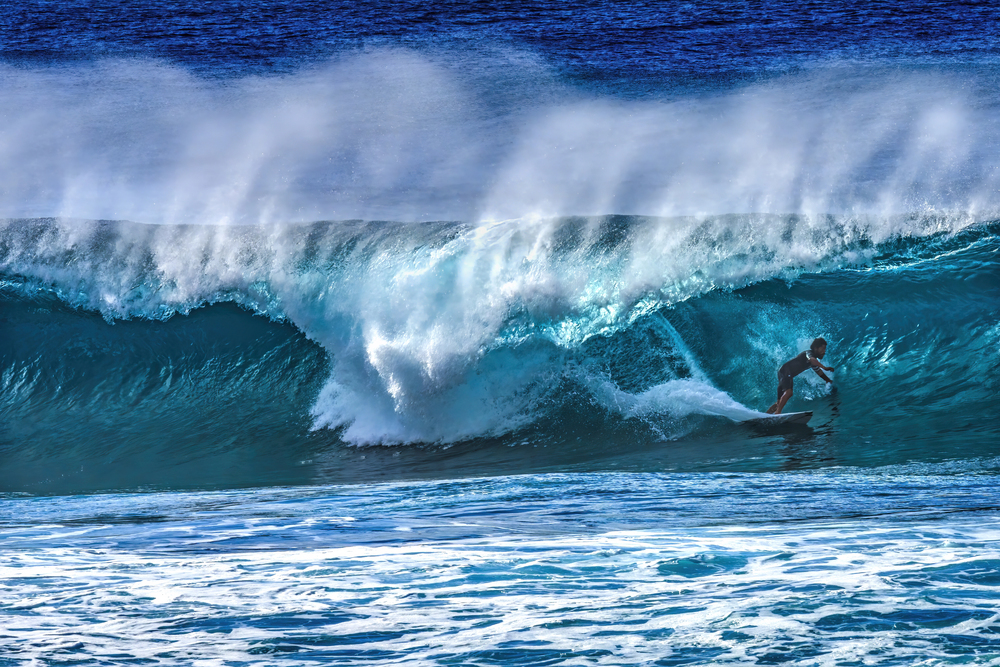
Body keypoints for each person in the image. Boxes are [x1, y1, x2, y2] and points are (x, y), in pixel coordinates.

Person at [766, 337, 834, 415]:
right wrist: (825, 367)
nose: (824, 351)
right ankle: (778, 413)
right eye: (823, 349)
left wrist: (827, 380)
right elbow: (812, 360)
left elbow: (818, 371)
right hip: (785, 371)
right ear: (816, 348)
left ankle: (765, 415)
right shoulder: (808, 353)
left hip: (786, 373)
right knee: (789, 393)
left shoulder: (813, 361)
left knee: (779, 402)